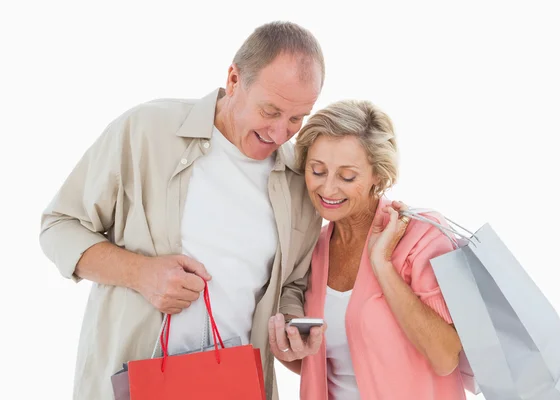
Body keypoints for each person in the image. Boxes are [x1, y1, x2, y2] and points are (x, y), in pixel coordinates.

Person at [39, 21, 327, 400]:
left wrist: (291, 328)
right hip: (133, 382)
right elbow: (59, 226)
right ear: (235, 78)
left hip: (236, 387)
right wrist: (141, 273)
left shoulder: (299, 182)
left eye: (296, 118)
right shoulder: (147, 130)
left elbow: (290, 285)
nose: (279, 133)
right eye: (269, 111)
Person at [269, 100, 466, 399]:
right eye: (318, 170)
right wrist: (286, 347)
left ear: (378, 174)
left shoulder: (421, 235)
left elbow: (444, 358)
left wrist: (382, 265)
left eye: (347, 176)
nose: (328, 189)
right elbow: (325, 364)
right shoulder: (313, 247)